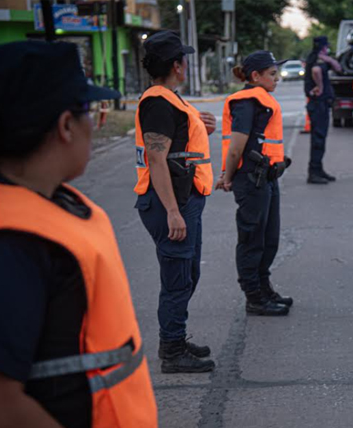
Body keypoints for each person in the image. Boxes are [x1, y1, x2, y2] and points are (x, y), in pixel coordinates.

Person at [0, 40, 158, 427]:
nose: (94, 126)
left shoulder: (50, 202)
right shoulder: (6, 242)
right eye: (91, 113)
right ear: (64, 126)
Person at [134, 31, 217, 373]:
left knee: (187, 274)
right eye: (184, 59)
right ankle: (171, 351)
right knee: (177, 278)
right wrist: (172, 211)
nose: (186, 64)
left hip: (185, 198)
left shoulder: (172, 99)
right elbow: (156, 160)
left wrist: (203, 125)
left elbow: (180, 145)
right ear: (176, 65)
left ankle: (176, 339)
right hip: (169, 202)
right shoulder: (157, 102)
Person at [216, 50, 293, 316]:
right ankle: (254, 297)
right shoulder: (246, 103)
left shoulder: (262, 99)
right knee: (252, 239)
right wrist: (226, 177)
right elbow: (236, 147)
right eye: (272, 74)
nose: (278, 78)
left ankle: (264, 287)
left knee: (269, 238)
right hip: (251, 180)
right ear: (255, 76)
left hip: (267, 178)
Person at [305, 35, 342, 184]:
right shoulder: (317, 58)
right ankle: (313, 172)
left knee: (320, 138)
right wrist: (320, 87)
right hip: (318, 103)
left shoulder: (319, 57)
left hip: (320, 104)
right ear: (323, 46)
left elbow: (338, 68)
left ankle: (318, 169)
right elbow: (316, 71)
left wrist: (329, 60)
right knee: (318, 139)